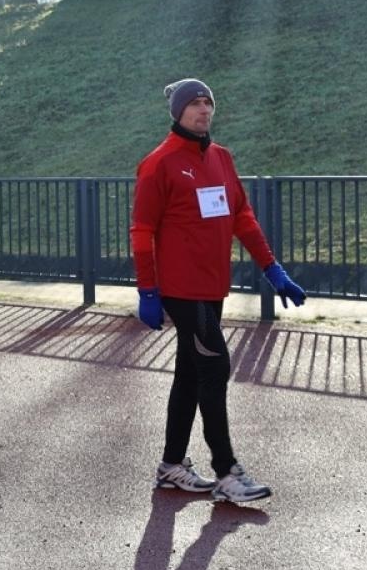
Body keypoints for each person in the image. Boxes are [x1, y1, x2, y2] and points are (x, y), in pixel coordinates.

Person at [131, 77, 306, 505]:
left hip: (212, 286)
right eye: (194, 103)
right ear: (177, 113)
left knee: (190, 373)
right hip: (179, 288)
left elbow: (241, 216)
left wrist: (273, 268)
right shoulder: (159, 163)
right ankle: (226, 472)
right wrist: (148, 290)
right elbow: (142, 229)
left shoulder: (222, 159)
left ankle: (172, 465)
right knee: (215, 367)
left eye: (208, 102)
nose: (203, 109)